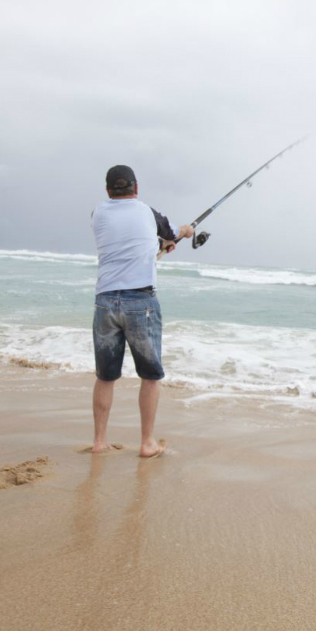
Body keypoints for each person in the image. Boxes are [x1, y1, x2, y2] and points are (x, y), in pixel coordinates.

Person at [90, 165, 193, 456]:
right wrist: (184, 232)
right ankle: (147, 443)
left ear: (108, 190)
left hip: (105, 301)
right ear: (136, 188)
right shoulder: (148, 212)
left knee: (105, 376)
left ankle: (99, 442)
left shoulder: (97, 213)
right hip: (141, 302)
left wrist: (159, 244)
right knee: (150, 375)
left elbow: (126, 238)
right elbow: (171, 233)